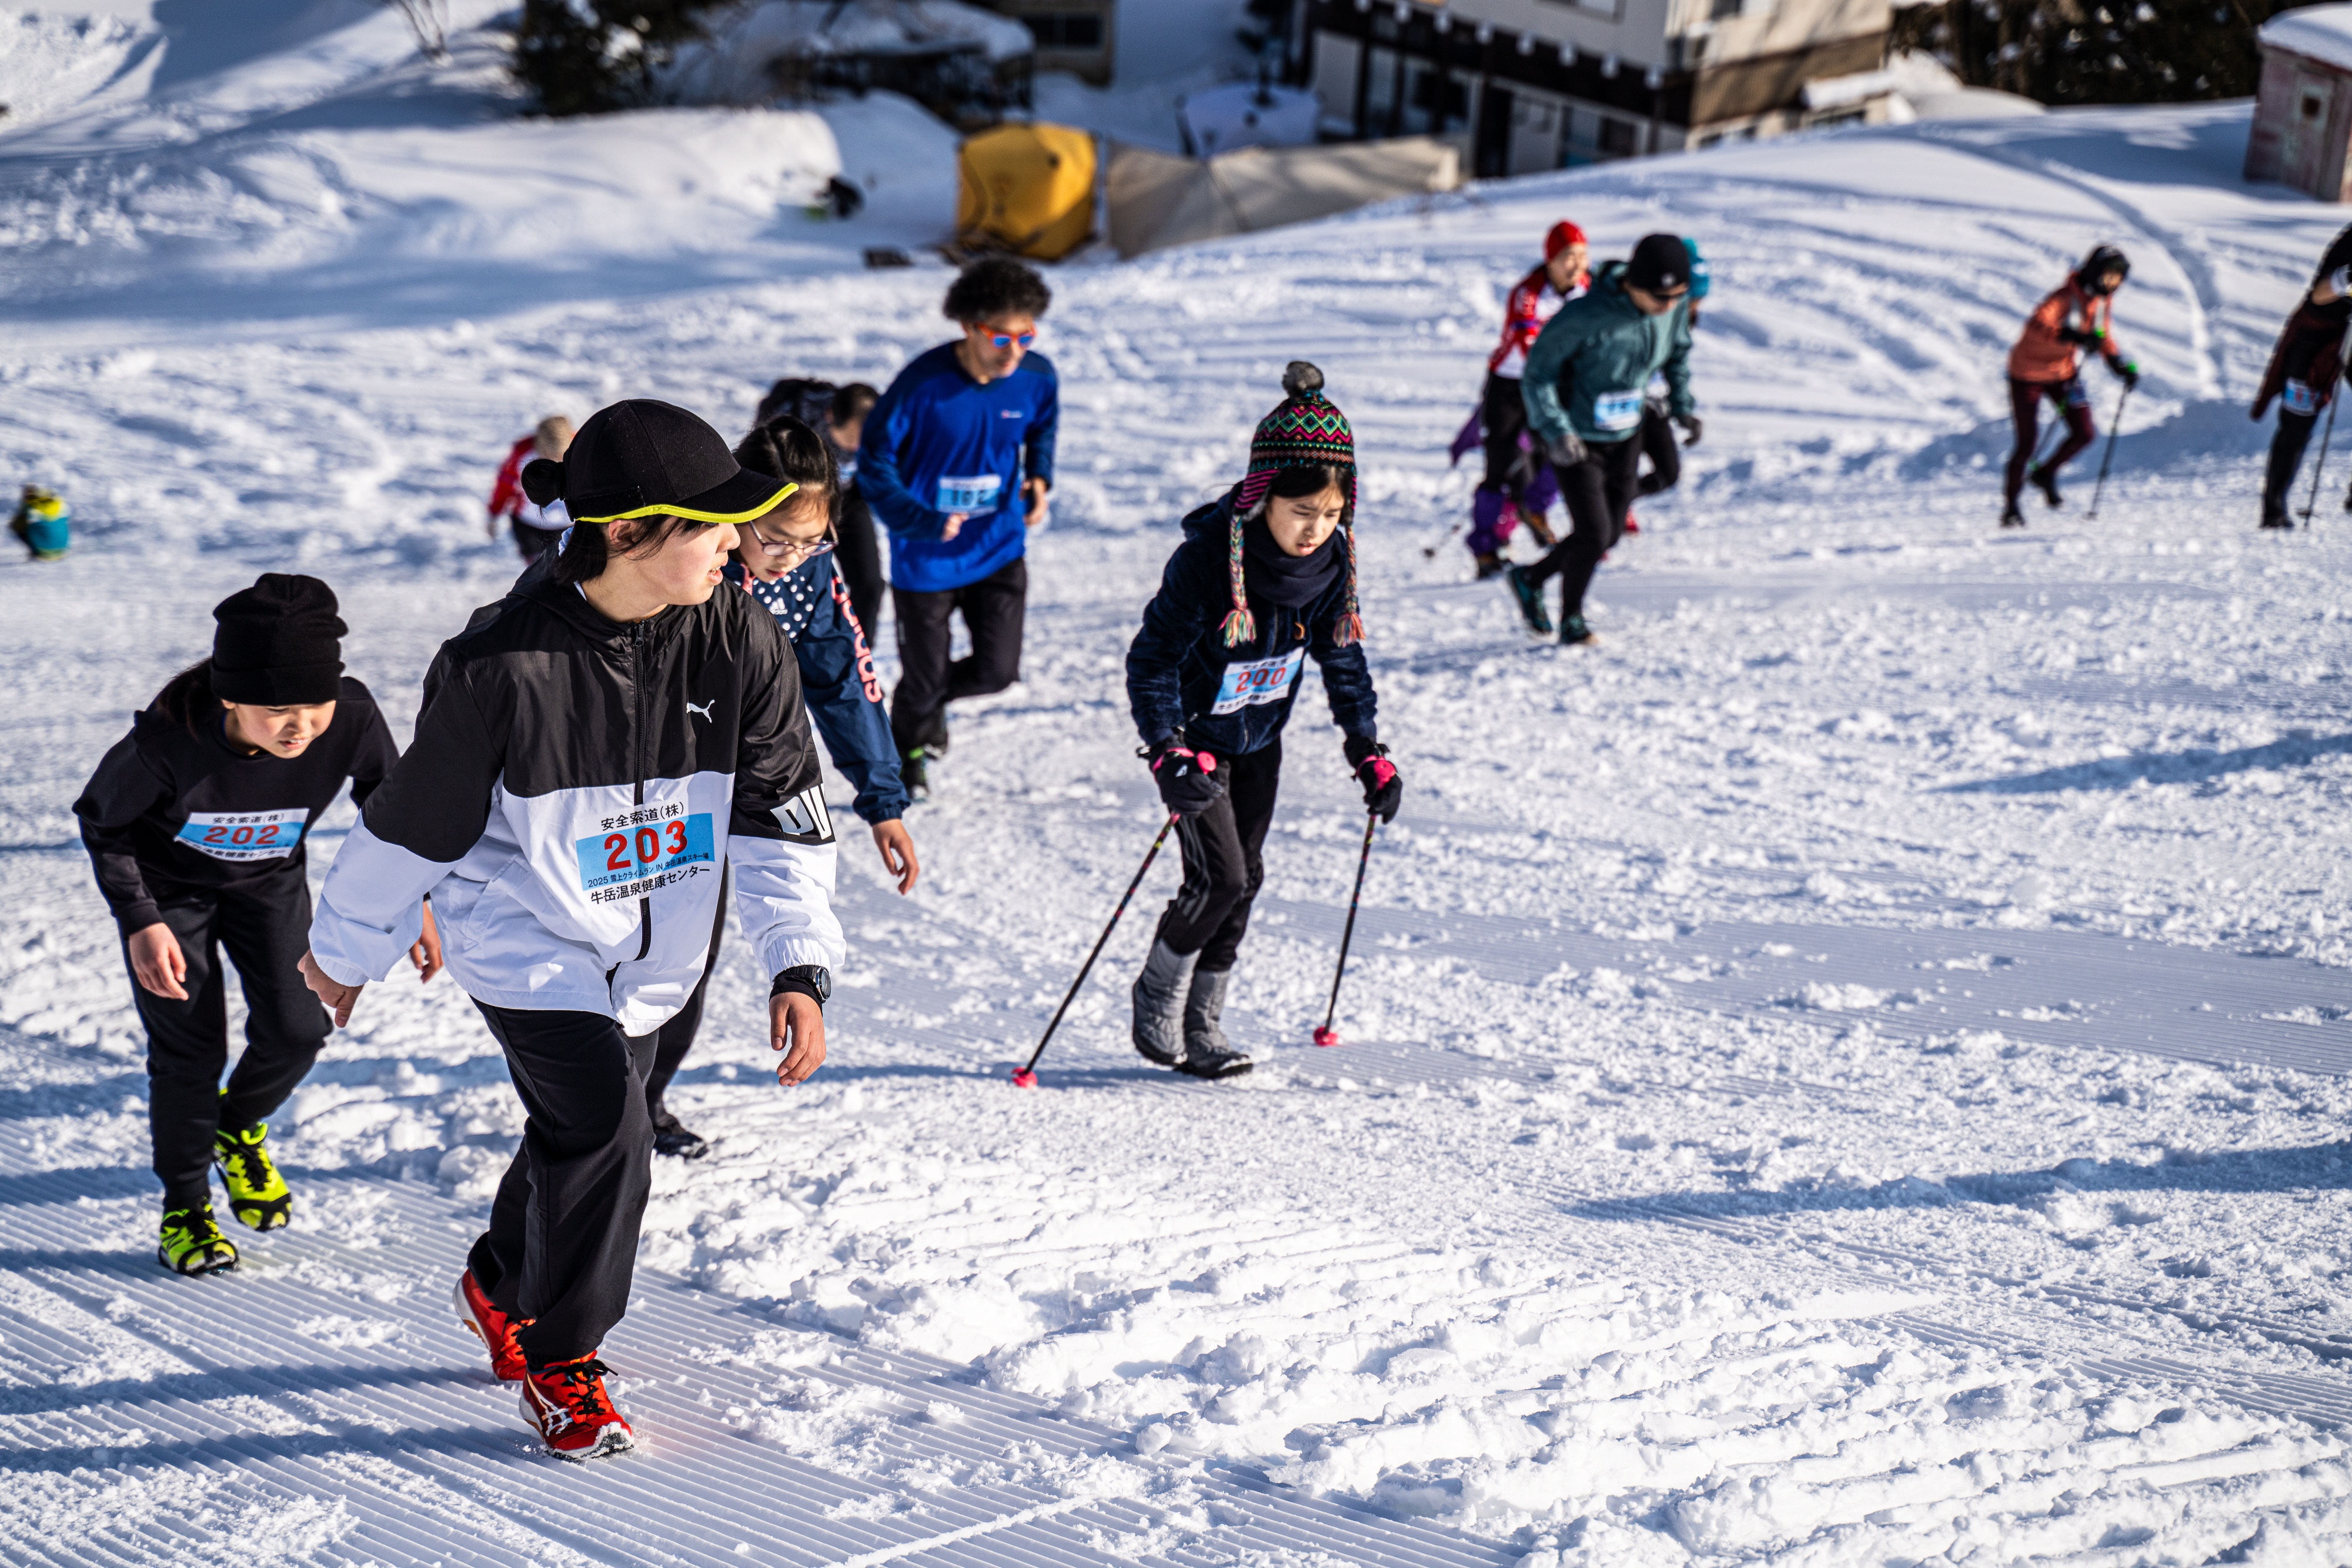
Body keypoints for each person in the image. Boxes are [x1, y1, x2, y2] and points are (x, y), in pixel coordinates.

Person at [300, 399, 844, 1462]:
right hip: (525, 936)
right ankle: (563, 1358)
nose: (737, 544)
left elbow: (782, 806)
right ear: (631, 531)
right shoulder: (502, 663)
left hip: (658, 948)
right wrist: (345, 948)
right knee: (608, 1125)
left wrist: (799, 961)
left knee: (587, 1123)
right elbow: (415, 825)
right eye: (713, 525)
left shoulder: (740, 633)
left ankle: (500, 1279)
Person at [74, 574, 437, 1276]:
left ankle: (236, 1126)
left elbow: (388, 805)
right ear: (231, 697)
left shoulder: (354, 717)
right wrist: (140, 918)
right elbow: (103, 823)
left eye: (313, 704)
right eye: (277, 710)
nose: (300, 725)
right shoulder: (166, 742)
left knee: (302, 1025)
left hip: (268, 883)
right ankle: (185, 1208)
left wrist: (413, 899)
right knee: (190, 1051)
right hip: (168, 895)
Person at [642, 413, 917, 1161]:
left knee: (684, 962)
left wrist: (882, 799)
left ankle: (642, 1103)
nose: (794, 558)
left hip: (743, 787)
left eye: (812, 541)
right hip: (647, 790)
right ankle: (600, 1103)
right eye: (778, 540)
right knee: (629, 951)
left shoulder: (812, 578)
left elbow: (845, 680)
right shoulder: (687, 567)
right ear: (735, 518)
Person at [1124, 363, 1401, 1081]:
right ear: (1261, 496)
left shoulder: (1333, 565)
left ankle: (1204, 1024)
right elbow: (1152, 660)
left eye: (1331, 514)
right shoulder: (1207, 563)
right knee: (1220, 879)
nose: (1316, 530)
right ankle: (1157, 993)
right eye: (1300, 512)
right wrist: (1166, 750)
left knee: (1248, 881)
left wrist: (1367, 748)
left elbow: (1343, 661)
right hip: (1197, 746)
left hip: (1260, 742)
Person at [857, 258, 1058, 797]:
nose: (1015, 349)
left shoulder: (1036, 378)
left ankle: (931, 705)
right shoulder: (920, 386)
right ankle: (905, 758)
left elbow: (1042, 427)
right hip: (926, 560)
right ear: (969, 327)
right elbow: (874, 464)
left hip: (999, 547)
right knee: (921, 680)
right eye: (1000, 337)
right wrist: (919, 519)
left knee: (997, 671)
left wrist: (1039, 477)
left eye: (1026, 335)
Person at [1506, 233, 1696, 647]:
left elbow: (1678, 352)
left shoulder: (1672, 309)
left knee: (1607, 534)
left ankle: (1530, 577)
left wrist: (1682, 403)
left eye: (1677, 297)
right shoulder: (1582, 317)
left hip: (1627, 432)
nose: (1669, 307)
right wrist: (1556, 430)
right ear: (1633, 284)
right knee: (1594, 532)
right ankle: (1572, 620)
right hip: (1577, 439)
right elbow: (1538, 374)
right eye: (1660, 298)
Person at [1463, 221, 1589, 577]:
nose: (1576, 265)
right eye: (1567, 257)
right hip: (1509, 386)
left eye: (1581, 256)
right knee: (1499, 467)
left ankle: (1534, 509)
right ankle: (1485, 548)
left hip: (1551, 385)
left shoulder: (1587, 289)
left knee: (1560, 451)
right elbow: (1529, 347)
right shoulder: (1528, 294)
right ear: (1550, 259)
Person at [2002, 245, 2138, 528]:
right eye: (2110, 276)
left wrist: (2116, 362)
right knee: (2027, 443)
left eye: (2118, 279)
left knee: (2084, 433)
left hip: (2063, 374)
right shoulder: (2063, 298)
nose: (2114, 284)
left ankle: (2045, 473)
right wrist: (2070, 335)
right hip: (2027, 374)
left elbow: (2102, 335)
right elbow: (2038, 326)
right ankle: (2011, 506)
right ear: (2094, 272)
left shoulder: (2101, 302)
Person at [755, 378, 886, 633]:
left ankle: (856, 654)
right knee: (800, 583)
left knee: (870, 583)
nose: (858, 448)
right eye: (851, 441)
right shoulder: (790, 427)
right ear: (829, 417)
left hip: (847, 501)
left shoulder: (874, 427)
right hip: (797, 507)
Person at [2253, 224, 2352, 530]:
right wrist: (2346, 279)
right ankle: (2273, 510)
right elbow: (2319, 296)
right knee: (2297, 423)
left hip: (2349, 338)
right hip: (2314, 340)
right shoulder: (2349, 243)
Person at [486, 415, 574, 561]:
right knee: (536, 570)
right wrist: (494, 513)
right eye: (548, 454)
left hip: (568, 527)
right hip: (529, 526)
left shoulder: (580, 450)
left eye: (560, 455)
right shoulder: (523, 453)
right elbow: (505, 486)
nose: (554, 460)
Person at [10, 483, 69, 560]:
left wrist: (23, 508)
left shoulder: (31, 507)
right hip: (63, 549)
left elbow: (15, 526)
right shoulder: (59, 503)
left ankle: (36, 552)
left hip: (44, 552)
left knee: (24, 527)